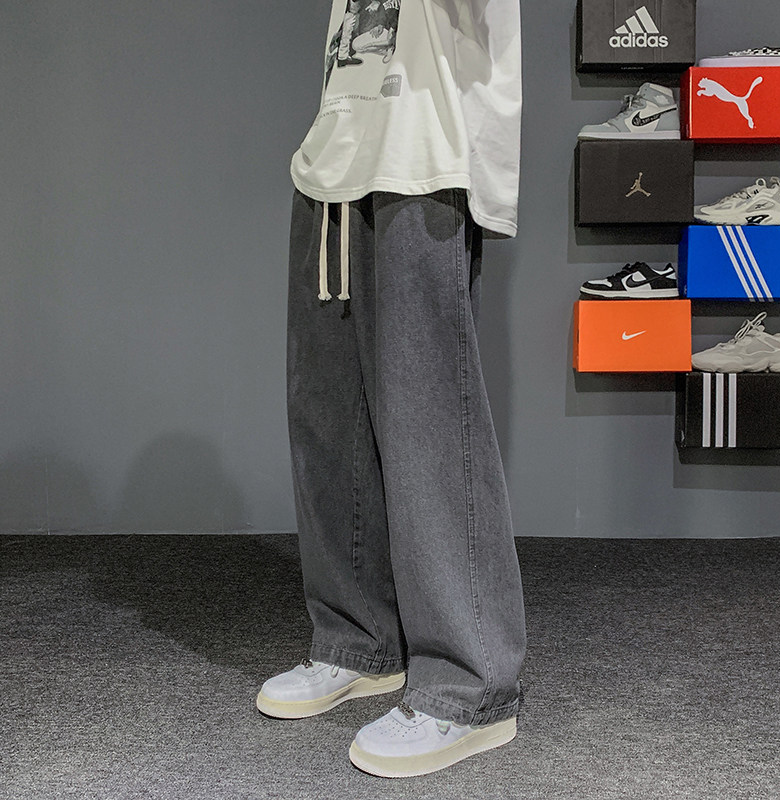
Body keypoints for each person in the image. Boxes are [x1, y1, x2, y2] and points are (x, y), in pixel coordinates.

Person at [257, 0, 526, 778]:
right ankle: (357, 641)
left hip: (424, 153)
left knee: (429, 425)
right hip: (337, 157)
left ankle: (471, 686)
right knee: (328, 420)